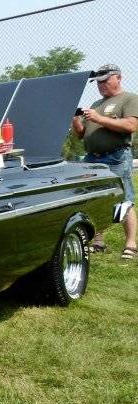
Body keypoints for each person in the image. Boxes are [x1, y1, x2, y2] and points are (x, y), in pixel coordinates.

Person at [72, 64, 138, 259]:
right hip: (92, 158)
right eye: (98, 82)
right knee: (94, 199)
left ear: (118, 78)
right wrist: (76, 122)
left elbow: (131, 125)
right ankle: (98, 241)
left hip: (116, 156)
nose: (101, 85)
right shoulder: (95, 104)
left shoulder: (129, 99)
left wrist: (99, 118)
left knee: (124, 199)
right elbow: (81, 135)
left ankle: (131, 244)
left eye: (105, 81)